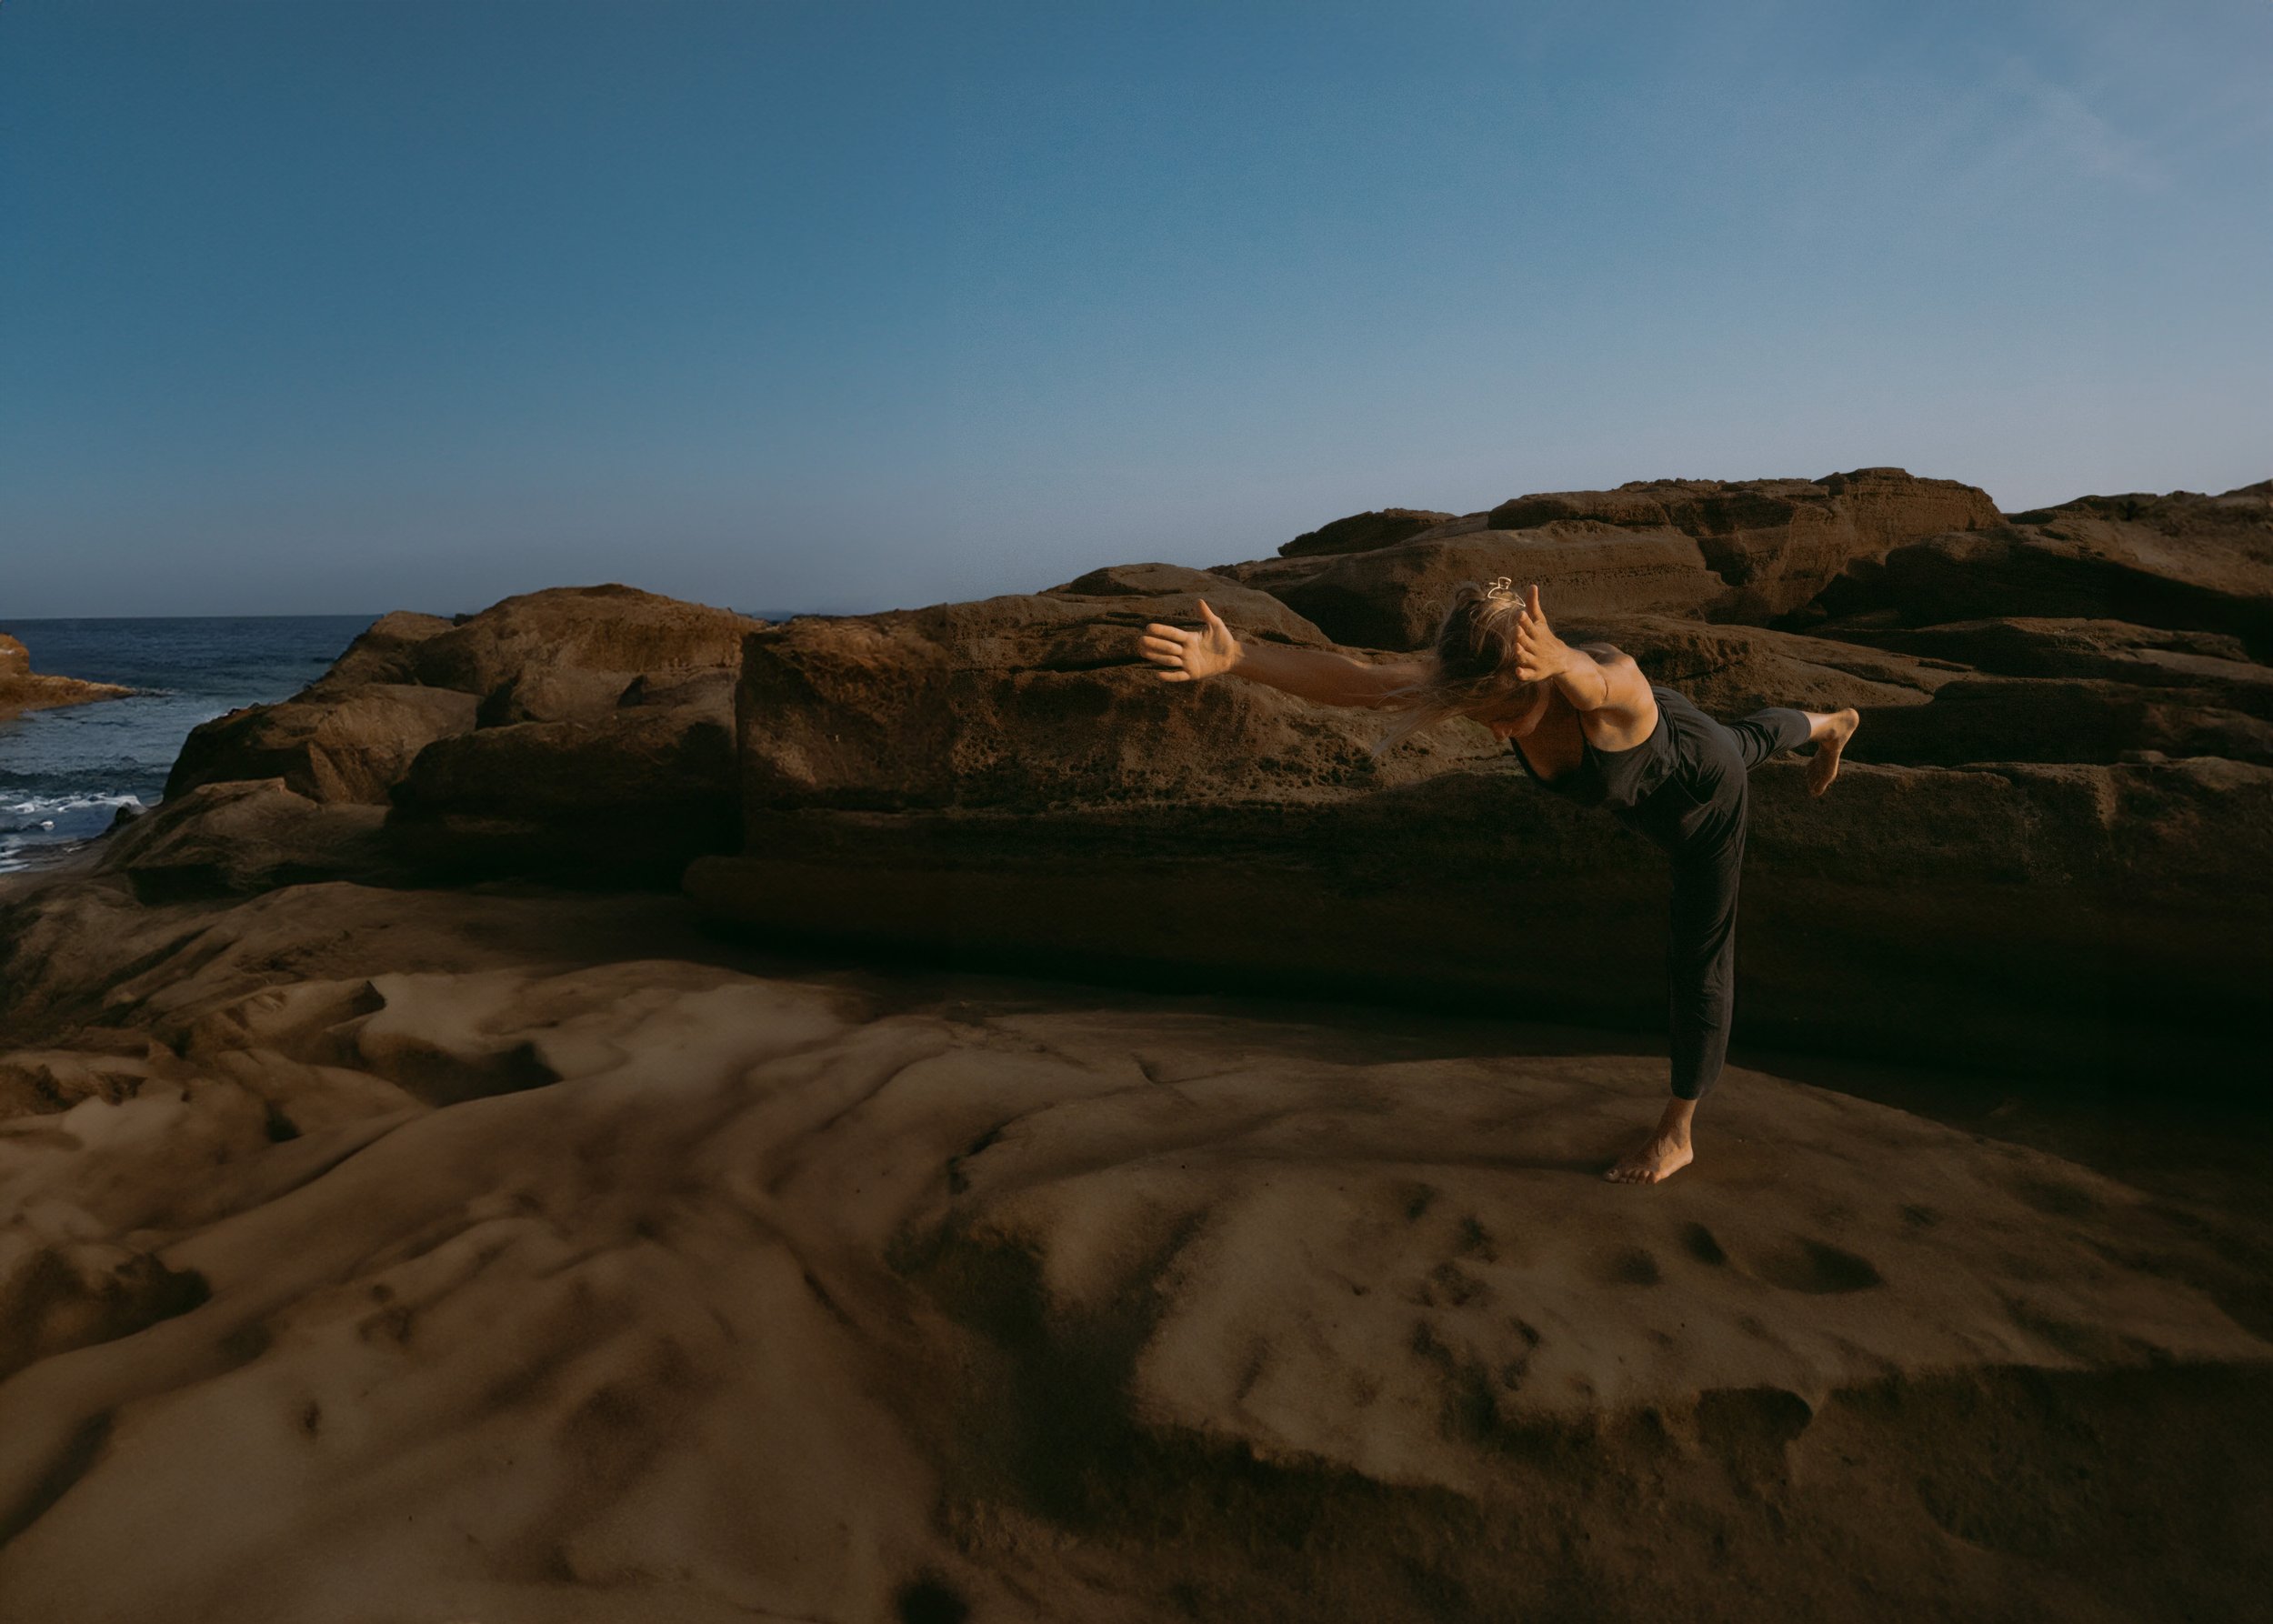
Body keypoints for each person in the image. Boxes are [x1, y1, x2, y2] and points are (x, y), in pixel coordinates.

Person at [1137, 576, 1859, 1186]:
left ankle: (1678, 1133)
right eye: (1480, 714)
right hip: (1671, 744)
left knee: (1699, 943)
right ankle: (1831, 723)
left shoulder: (1613, 696)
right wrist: (1237, 659)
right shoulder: (1478, 679)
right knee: (1747, 735)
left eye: (1504, 716)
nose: (1491, 733)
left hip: (1700, 799)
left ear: (1539, 680)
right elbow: (1357, 684)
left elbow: (1609, 678)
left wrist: (1565, 668)